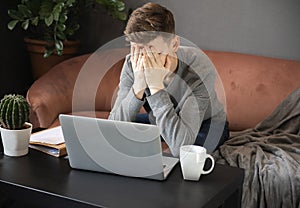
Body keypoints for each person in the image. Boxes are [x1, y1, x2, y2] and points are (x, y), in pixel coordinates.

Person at [109, 2, 229, 157]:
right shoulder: (133, 63)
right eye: (137, 48)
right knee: (119, 134)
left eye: (151, 50)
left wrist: (155, 87)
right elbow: (112, 127)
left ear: (174, 44)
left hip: (206, 124)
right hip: (161, 119)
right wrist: (138, 86)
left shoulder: (198, 67)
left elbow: (180, 146)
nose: (144, 59)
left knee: (189, 155)